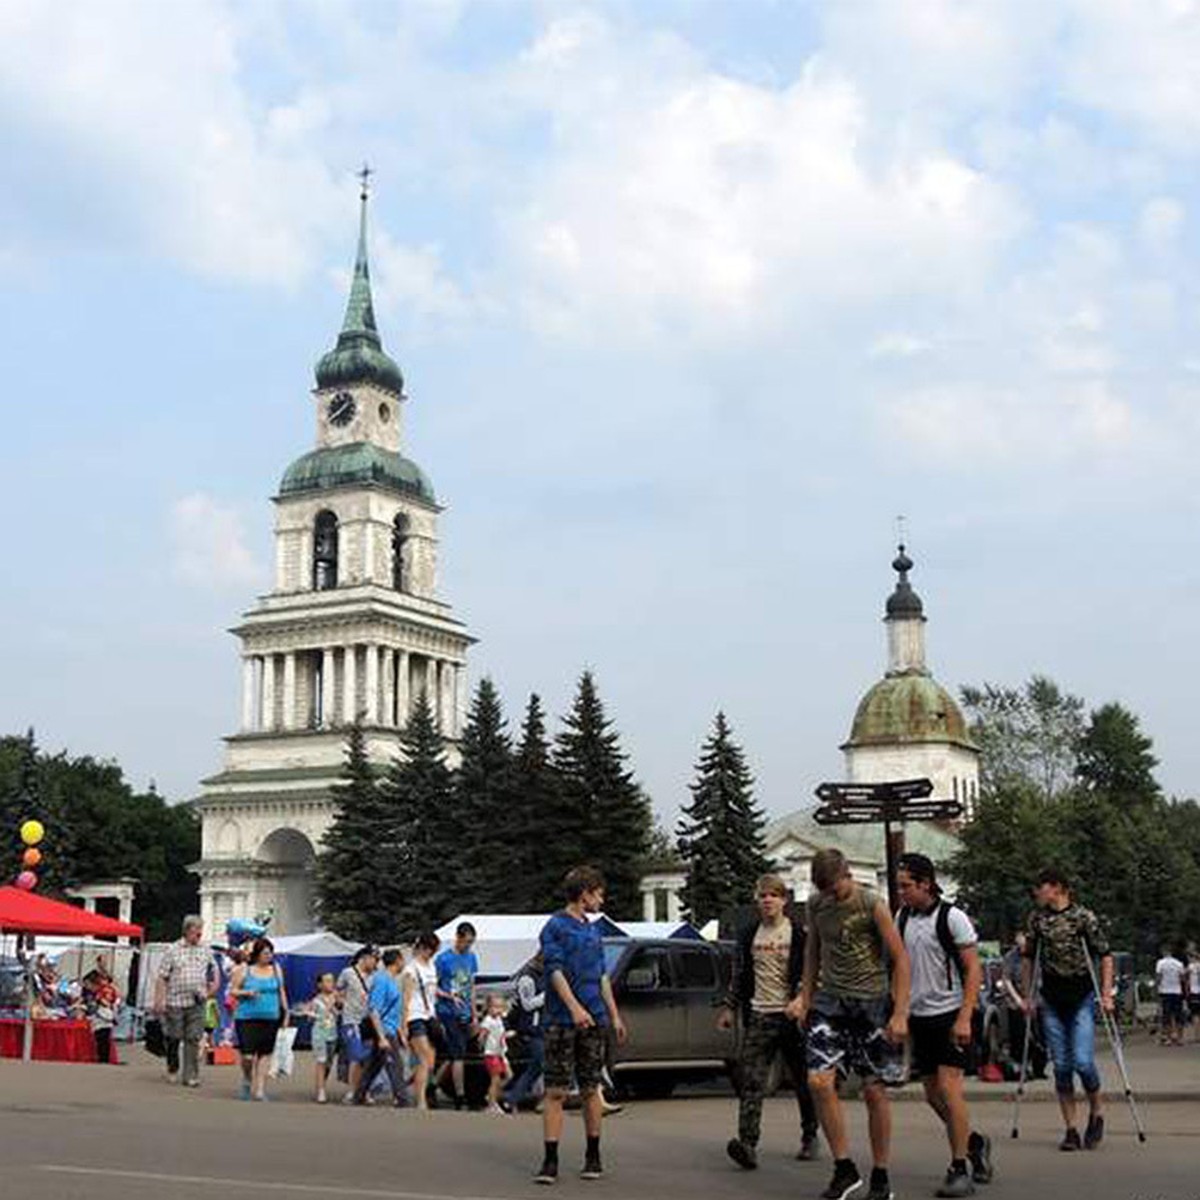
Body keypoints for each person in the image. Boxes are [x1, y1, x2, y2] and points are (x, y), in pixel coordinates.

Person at [794, 848, 910, 1200]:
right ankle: (844, 1168)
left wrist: (900, 1011)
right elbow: (813, 952)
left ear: (846, 875)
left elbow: (901, 959)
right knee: (818, 1081)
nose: (830, 895)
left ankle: (881, 1174)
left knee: (873, 1090)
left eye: (834, 889)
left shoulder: (871, 904)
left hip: (871, 1004)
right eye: (824, 890)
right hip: (830, 1003)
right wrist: (805, 997)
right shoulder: (816, 906)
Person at [895, 853, 993, 1197]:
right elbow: (901, 968)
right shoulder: (902, 917)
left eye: (906, 886)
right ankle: (974, 1143)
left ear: (925, 883)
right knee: (932, 1096)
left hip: (951, 1015)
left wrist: (965, 1016)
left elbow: (973, 969)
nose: (902, 892)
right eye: (899, 886)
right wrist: (900, 1012)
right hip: (920, 1017)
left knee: (950, 1092)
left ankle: (959, 1168)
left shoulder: (953, 918)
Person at [719, 873, 820, 1170]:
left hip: (792, 1017)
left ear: (784, 901)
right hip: (759, 1014)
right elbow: (739, 974)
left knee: (803, 1079)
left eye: (773, 896)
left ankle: (810, 1134)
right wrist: (729, 1007)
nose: (767, 901)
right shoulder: (749, 934)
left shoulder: (798, 934)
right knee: (750, 1080)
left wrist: (801, 1000)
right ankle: (747, 1144)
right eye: (762, 896)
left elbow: (810, 973)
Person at [534, 865, 627, 1185]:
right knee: (556, 1091)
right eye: (598, 894)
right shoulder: (555, 927)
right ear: (584, 894)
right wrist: (574, 1008)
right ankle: (550, 1160)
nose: (601, 900)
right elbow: (554, 971)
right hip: (561, 1020)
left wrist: (613, 1014)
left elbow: (602, 976)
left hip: (595, 1020)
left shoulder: (593, 930)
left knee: (591, 1088)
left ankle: (593, 1155)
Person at [1020, 867, 1114, 1151]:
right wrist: (1028, 995)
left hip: (1081, 996)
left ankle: (1097, 1112)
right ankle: (1071, 1129)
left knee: (1083, 1062)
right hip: (1051, 998)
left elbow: (1105, 955)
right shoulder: (1037, 920)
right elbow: (1028, 958)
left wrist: (1106, 994)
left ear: (1057, 888)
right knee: (1061, 1066)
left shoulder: (1083, 917)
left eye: (1041, 886)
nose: (1037, 892)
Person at [154, 915, 217, 1088]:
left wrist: (211, 990)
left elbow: (213, 972)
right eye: (197, 930)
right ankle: (172, 1066)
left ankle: (191, 1076)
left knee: (193, 1038)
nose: (200, 934)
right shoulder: (173, 949)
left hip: (197, 1001)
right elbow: (162, 977)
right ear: (188, 930)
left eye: (201, 930)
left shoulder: (206, 950)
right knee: (174, 1036)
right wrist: (159, 1000)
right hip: (175, 1001)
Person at [229, 937, 288, 1102]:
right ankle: (247, 1079)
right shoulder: (245, 970)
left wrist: (286, 1012)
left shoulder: (276, 969)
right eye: (265, 953)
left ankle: (260, 1089)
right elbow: (233, 991)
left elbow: (281, 990)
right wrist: (246, 993)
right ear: (257, 954)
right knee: (247, 1056)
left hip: (271, 1017)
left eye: (270, 953)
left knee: (264, 1054)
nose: (268, 956)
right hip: (247, 1017)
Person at [435, 921, 480, 1110]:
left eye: (471, 942)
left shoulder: (471, 958)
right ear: (458, 938)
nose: (468, 946)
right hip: (448, 1011)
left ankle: (434, 1083)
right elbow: (432, 986)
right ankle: (460, 1096)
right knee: (458, 1054)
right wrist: (447, 996)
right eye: (466, 942)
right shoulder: (443, 959)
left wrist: (474, 1013)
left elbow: (471, 986)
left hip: (465, 1012)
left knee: (460, 1052)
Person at [355, 948, 407, 1107]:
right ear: (397, 961)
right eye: (402, 959)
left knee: (374, 1064)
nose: (404, 963)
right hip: (383, 1029)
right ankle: (402, 1097)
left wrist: (400, 1032)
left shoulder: (391, 981)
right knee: (395, 1065)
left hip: (390, 1028)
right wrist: (382, 1037)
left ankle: (359, 1095)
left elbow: (394, 1011)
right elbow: (374, 1009)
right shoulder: (382, 980)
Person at [402, 932, 441, 1112]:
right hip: (414, 1016)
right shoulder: (411, 969)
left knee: (430, 1061)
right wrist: (403, 1026)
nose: (432, 954)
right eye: (431, 951)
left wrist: (448, 995)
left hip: (429, 1015)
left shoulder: (431, 966)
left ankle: (409, 1083)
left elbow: (432, 990)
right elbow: (406, 998)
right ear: (424, 948)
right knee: (425, 1059)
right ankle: (420, 1101)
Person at [505, 952, 546, 1111]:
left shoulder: (547, 974)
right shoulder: (527, 979)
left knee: (537, 1065)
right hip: (531, 1028)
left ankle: (514, 1097)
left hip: (543, 1026)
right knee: (539, 1063)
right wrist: (546, 997)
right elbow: (527, 1004)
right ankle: (513, 1097)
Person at [337, 946, 378, 1104]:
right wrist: (340, 1001)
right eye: (374, 959)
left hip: (368, 1020)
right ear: (365, 957)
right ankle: (352, 1091)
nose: (375, 963)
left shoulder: (374, 977)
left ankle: (364, 1090)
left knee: (367, 1058)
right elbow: (339, 990)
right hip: (351, 1019)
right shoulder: (348, 973)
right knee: (356, 1055)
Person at [83, 956, 121, 1065]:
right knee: (101, 1041)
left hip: (104, 1019)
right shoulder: (104, 989)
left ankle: (103, 1060)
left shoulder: (104, 990)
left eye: (88, 985)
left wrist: (98, 1002)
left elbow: (108, 1002)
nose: (88, 987)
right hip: (103, 1018)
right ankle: (103, 1059)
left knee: (102, 1040)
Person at [481, 993, 514, 1113]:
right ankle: (492, 1104)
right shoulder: (488, 1020)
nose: (497, 1010)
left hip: (501, 1053)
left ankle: (492, 1095)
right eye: (494, 1007)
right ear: (489, 1008)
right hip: (491, 1053)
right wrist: (483, 1044)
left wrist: (507, 1034)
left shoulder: (500, 1020)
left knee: (509, 1076)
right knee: (495, 1079)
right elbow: (482, 1035)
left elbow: (501, 1033)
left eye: (500, 1007)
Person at [310, 971, 340, 1103]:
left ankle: (321, 1084)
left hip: (332, 1034)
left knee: (328, 1063)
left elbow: (338, 1014)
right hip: (319, 1034)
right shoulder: (316, 1000)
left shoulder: (336, 998)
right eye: (327, 981)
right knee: (321, 1062)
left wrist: (336, 1004)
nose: (331, 984)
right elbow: (310, 1018)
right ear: (320, 985)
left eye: (332, 981)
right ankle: (321, 1091)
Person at [1154, 946, 1186, 1048]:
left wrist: (1157, 988)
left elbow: (1159, 976)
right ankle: (1179, 1038)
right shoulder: (1178, 963)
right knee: (1178, 1015)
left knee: (1166, 1015)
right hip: (1177, 991)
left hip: (1165, 991)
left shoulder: (1160, 963)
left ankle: (1168, 1038)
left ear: (1164, 952)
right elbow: (1182, 978)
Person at [1187, 949, 1200, 1044]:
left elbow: (1183, 974)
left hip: (1194, 992)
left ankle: (1197, 1036)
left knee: (1195, 1015)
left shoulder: (1191, 966)